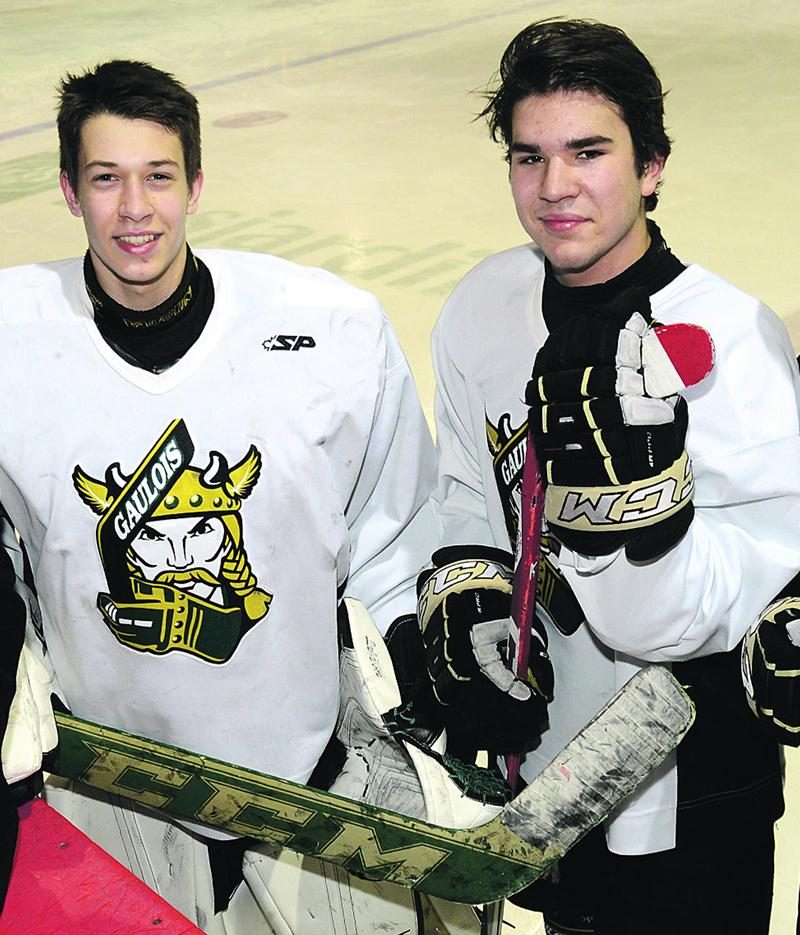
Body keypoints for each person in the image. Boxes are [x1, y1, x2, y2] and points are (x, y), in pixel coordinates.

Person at [0, 59, 489, 934]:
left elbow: (395, 529)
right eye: (106, 179)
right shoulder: (11, 340)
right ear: (70, 192)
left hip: (310, 787)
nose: (135, 209)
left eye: (158, 176)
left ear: (195, 181)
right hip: (107, 789)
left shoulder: (331, 327)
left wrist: (417, 693)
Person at [421, 18, 800, 935]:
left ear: (652, 164)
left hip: (692, 793)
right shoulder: (483, 303)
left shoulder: (734, 343)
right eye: (528, 156)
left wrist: (640, 530)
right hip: (541, 766)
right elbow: (468, 491)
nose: (554, 188)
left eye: (588, 152)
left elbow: (754, 584)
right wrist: (465, 602)